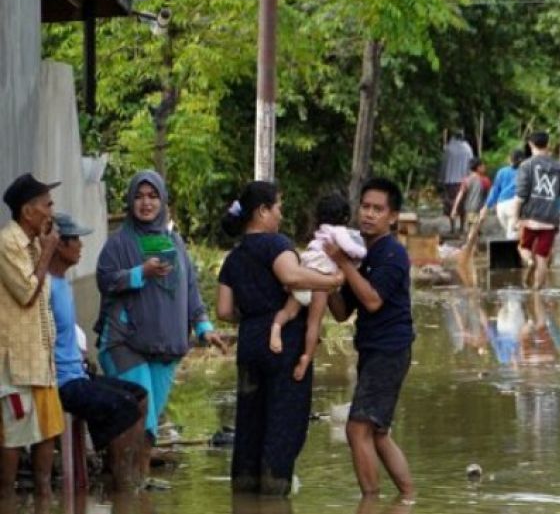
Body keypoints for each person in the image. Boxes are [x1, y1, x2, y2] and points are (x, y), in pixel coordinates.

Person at [217, 181, 344, 495]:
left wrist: (252, 316)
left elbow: (223, 310)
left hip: (249, 341)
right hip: (283, 344)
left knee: (250, 418)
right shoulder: (276, 244)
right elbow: (291, 276)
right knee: (284, 419)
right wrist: (333, 280)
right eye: (278, 208)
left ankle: (245, 490)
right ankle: (274, 494)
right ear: (262, 211)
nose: (281, 216)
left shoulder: (233, 258)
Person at [95, 171, 225, 454]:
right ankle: (127, 490)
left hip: (165, 346)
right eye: (139, 197)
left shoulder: (175, 242)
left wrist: (204, 328)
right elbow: (105, 280)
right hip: (124, 341)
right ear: (130, 201)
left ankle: (135, 489)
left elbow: (189, 289)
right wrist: (141, 272)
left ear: (163, 201)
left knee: (148, 432)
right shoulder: (118, 243)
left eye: (153, 196)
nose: (146, 203)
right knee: (140, 423)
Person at [326, 177, 416, 498]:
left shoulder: (392, 253)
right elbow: (341, 312)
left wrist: (342, 264)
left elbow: (374, 300)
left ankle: (370, 504)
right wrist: (326, 280)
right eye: (365, 207)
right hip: (372, 348)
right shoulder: (361, 255)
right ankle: (407, 496)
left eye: (378, 209)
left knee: (357, 428)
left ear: (392, 217)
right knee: (377, 433)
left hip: (389, 349)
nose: (369, 214)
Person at [48, 212, 149, 491]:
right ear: (59, 245)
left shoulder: (63, 284)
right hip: (64, 382)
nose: (81, 246)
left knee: (139, 396)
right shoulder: (45, 287)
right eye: (75, 241)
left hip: (78, 373)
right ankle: (121, 483)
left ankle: (132, 474)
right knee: (122, 407)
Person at [0, 173, 64, 502]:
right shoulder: (7, 243)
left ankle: (44, 503)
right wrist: (49, 250)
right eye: (47, 205)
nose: (52, 211)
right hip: (14, 362)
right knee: (14, 435)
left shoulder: (37, 242)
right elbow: (27, 291)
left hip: (41, 357)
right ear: (28, 211)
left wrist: (45, 248)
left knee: (47, 430)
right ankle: (8, 506)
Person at [270, 193, 365, 381]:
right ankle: (306, 358)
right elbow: (352, 249)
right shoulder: (339, 232)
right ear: (345, 217)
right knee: (313, 325)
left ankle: (276, 328)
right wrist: (363, 253)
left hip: (305, 275)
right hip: (320, 281)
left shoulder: (320, 232)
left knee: (289, 312)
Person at [515, 131, 560, 290]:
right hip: (550, 219)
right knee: (543, 257)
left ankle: (529, 261)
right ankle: (538, 291)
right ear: (548, 144)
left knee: (523, 247)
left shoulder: (526, 165)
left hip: (530, 217)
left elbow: (521, 195)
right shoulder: (559, 166)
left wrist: (516, 217)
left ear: (530, 145)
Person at [450, 158, 490, 286]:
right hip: (478, 210)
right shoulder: (484, 181)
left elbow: (460, 195)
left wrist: (454, 209)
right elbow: (489, 196)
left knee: (473, 230)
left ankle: (473, 253)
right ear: (478, 168)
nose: (485, 168)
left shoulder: (466, 180)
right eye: (483, 166)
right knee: (473, 232)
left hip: (469, 210)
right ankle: (469, 255)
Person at [438, 130, 474, 236]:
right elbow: (471, 164)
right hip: (464, 180)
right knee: (463, 205)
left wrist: (441, 178)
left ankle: (452, 227)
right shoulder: (468, 148)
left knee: (451, 204)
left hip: (450, 181)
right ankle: (462, 227)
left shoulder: (448, 149)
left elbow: (443, 165)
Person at [485, 149, 524, 241]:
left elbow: (495, 190)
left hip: (501, 206)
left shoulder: (502, 172)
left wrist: (486, 206)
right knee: (514, 236)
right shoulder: (524, 172)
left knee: (510, 233)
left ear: (509, 159)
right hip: (515, 205)